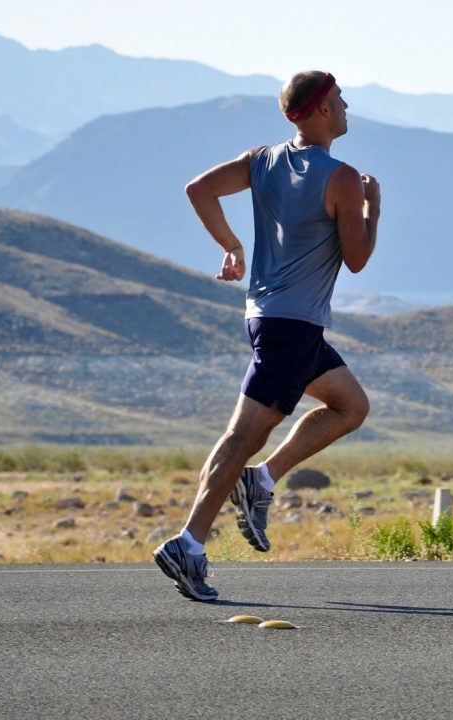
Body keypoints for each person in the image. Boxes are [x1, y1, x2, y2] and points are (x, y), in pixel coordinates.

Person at [153, 70, 380, 601]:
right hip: (292, 326)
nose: (347, 108)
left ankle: (262, 480)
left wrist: (232, 245)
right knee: (241, 436)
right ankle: (188, 544)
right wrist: (374, 208)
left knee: (351, 406)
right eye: (341, 101)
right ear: (322, 109)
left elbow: (199, 189)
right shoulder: (343, 178)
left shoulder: (263, 159)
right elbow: (358, 259)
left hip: (271, 318)